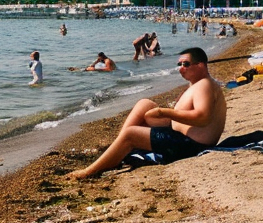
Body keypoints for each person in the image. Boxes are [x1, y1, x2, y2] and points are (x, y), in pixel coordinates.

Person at [68, 47, 226, 180]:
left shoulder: (204, 85)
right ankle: (115, 151)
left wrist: (164, 112)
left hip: (190, 146)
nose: (181, 68)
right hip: (181, 136)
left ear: (201, 66)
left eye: (186, 64)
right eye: (179, 64)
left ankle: (89, 172)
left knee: (131, 134)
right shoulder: (198, 84)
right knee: (144, 104)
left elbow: (203, 117)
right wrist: (165, 114)